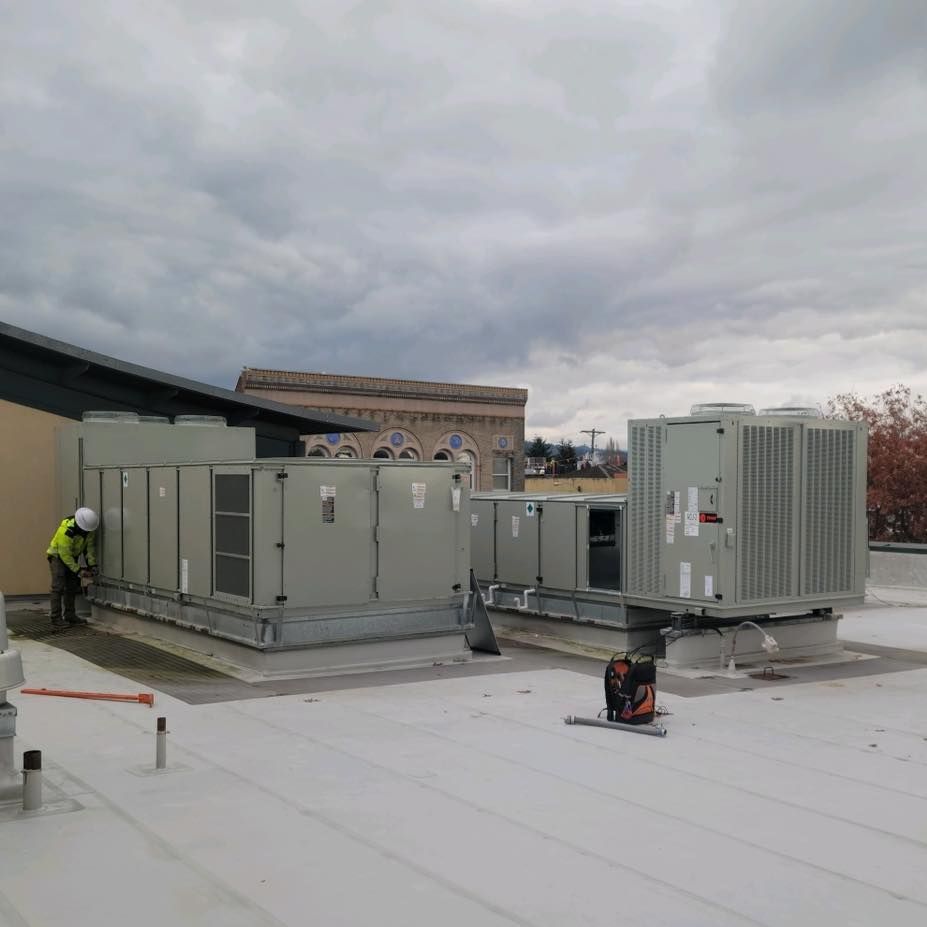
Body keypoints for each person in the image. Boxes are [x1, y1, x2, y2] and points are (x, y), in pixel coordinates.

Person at [46, 507, 99, 630]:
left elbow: (89, 548)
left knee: (71, 586)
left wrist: (92, 565)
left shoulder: (89, 530)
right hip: (57, 556)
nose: (86, 532)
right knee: (58, 587)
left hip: (71, 557)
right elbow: (64, 554)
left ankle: (70, 615)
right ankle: (56, 618)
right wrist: (78, 570)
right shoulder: (66, 530)